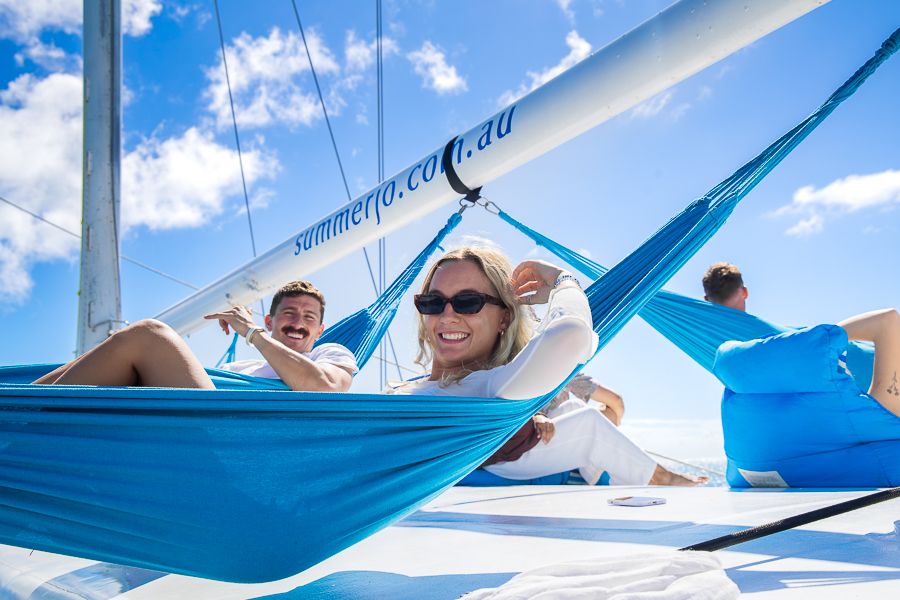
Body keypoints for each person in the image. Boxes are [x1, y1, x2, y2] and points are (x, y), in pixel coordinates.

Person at [387, 246, 704, 486]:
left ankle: (645, 479)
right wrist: (561, 282)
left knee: (577, 415)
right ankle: (641, 478)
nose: (446, 315)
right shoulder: (406, 390)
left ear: (505, 318)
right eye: (431, 302)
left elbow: (569, 336)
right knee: (583, 419)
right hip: (507, 458)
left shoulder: (483, 386)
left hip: (510, 456)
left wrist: (563, 283)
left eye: (468, 302)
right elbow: (573, 337)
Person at [33, 280, 357, 392]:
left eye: (308, 317)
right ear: (271, 320)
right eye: (289, 313)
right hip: (186, 429)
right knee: (119, 349)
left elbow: (325, 386)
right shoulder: (238, 370)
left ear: (320, 330)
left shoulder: (329, 353)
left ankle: (17, 425)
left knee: (148, 334)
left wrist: (252, 333)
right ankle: (16, 407)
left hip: (228, 440)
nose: (298, 322)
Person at [702, 263, 900, 417]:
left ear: (705, 299)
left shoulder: (722, 349)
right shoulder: (780, 337)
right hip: (862, 357)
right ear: (744, 291)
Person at [543, 373, 625, 426]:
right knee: (607, 416)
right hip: (546, 434)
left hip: (536, 432)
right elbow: (616, 401)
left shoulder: (534, 357)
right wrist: (615, 423)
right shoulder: (564, 370)